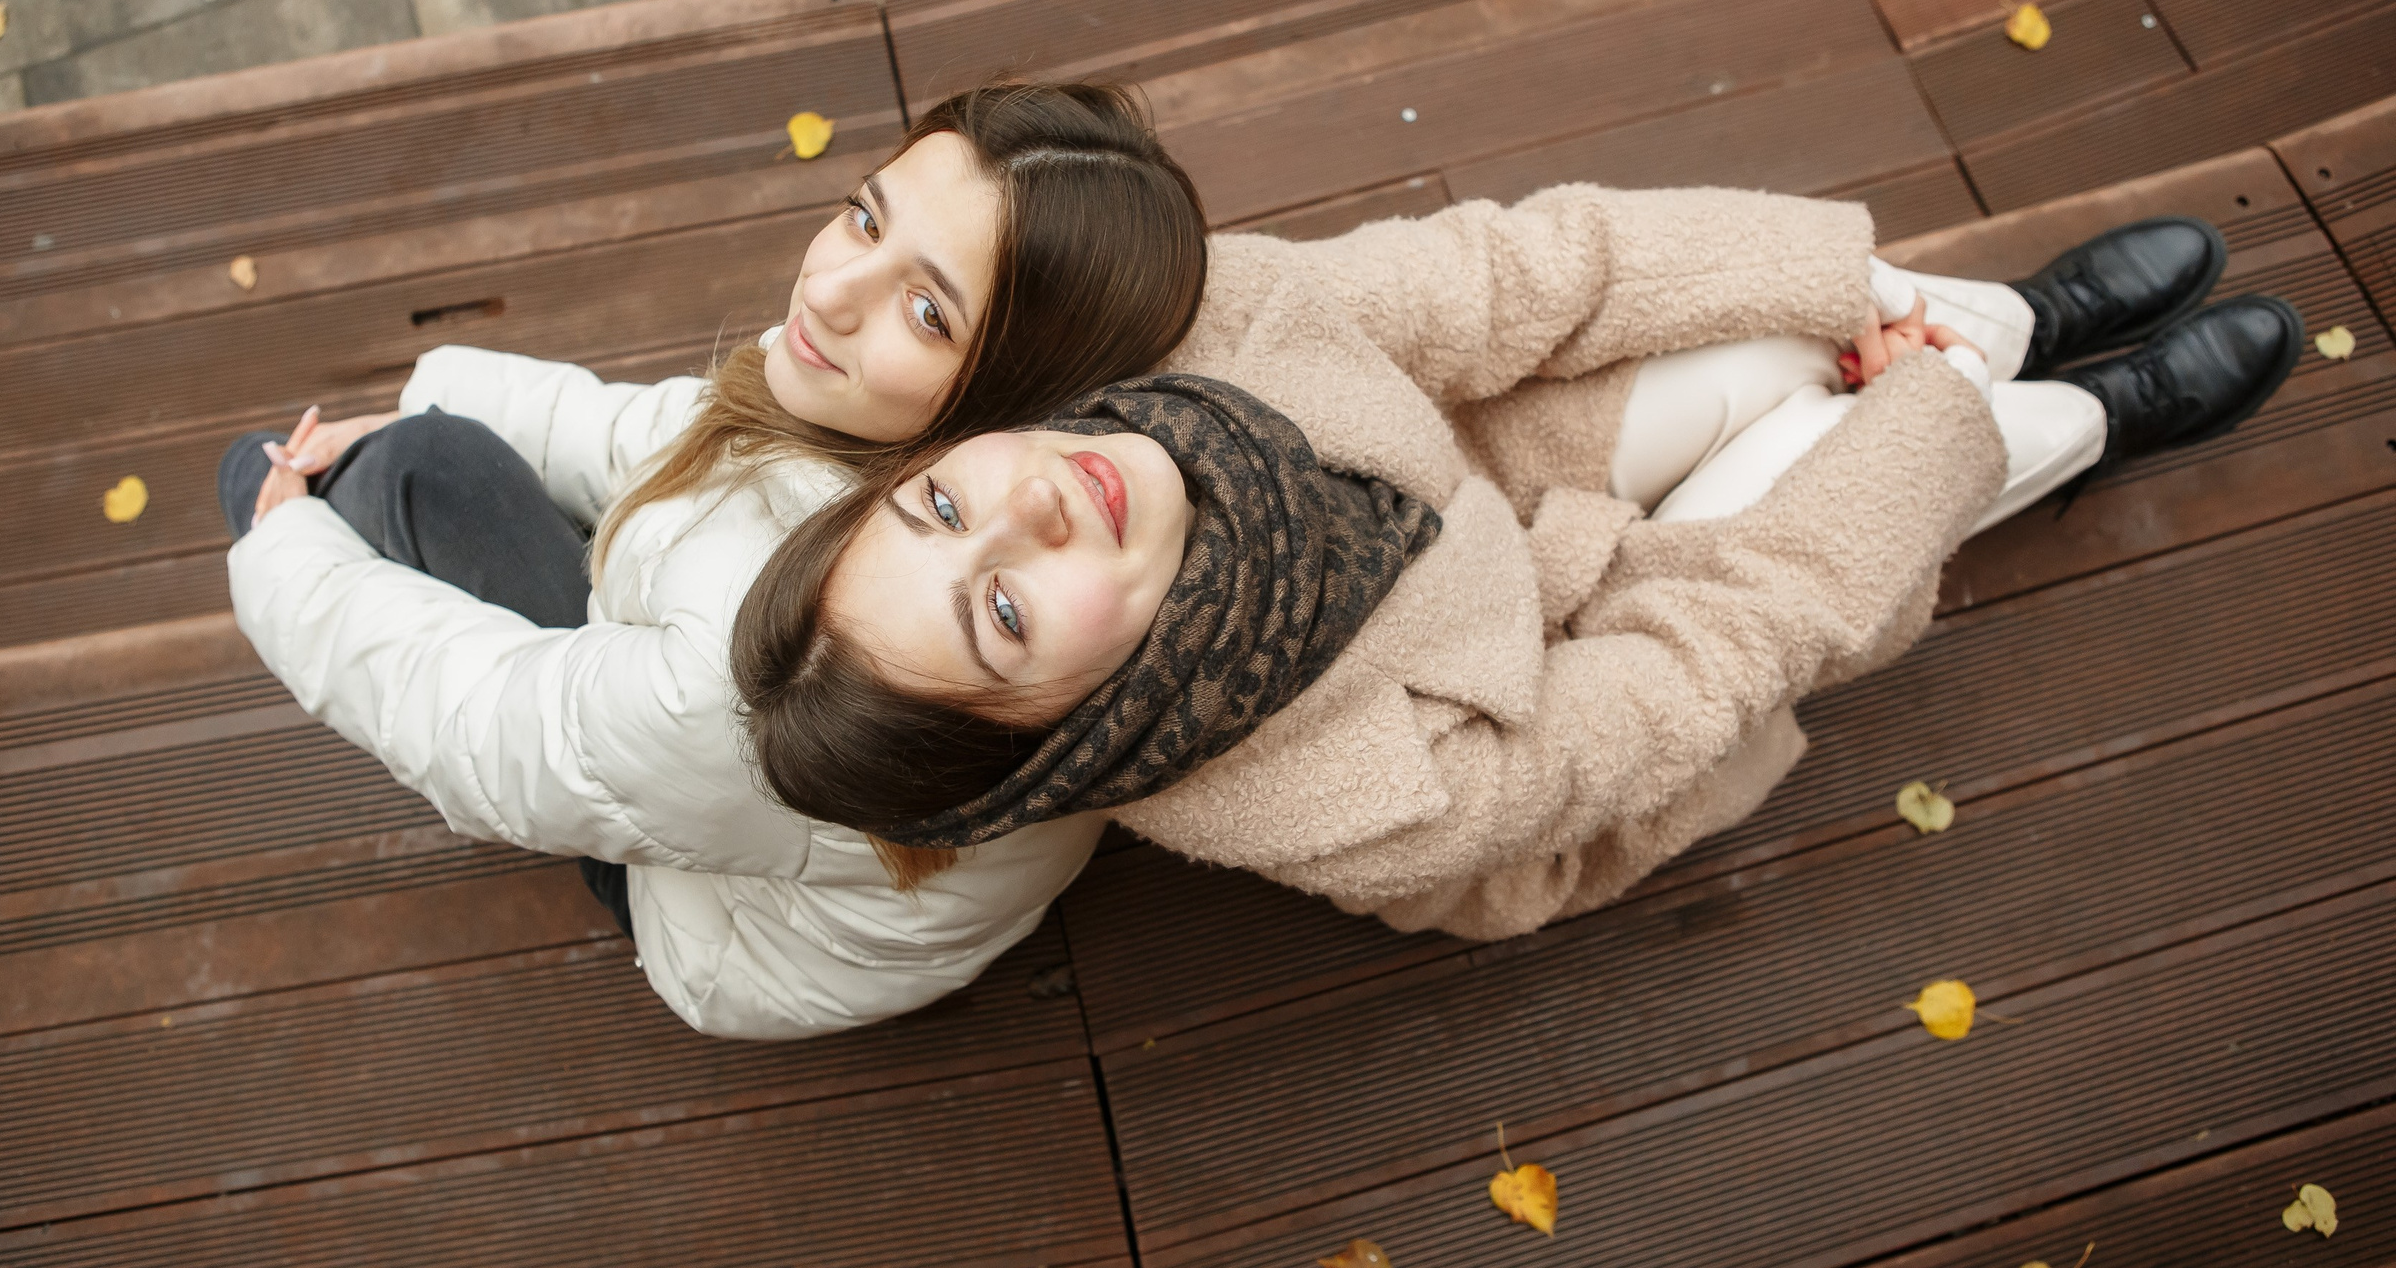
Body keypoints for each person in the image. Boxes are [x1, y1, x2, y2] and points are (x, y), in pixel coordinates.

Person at [735, 192, 2301, 940]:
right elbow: (1726, 636)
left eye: (939, 511)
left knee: (1771, 329)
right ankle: (2068, 413)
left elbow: (1517, 272)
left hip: (1501, 485)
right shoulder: (1378, 797)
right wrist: (1910, 412)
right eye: (1002, 611)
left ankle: (2001, 318)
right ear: (1074, 727)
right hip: (1581, 664)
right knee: (1857, 467)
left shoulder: (1183, 339)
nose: (1027, 512)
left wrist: (1851, 293)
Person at [219, 81, 1207, 1038]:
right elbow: (671, 437)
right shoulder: (914, 437)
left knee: (320, 477)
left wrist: (283, 551)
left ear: (1018, 391)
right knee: (426, 451)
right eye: (866, 218)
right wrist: (438, 396)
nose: (827, 288)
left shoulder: (794, 664)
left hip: (712, 920)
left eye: (929, 311)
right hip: (721, 761)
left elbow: (483, 723)